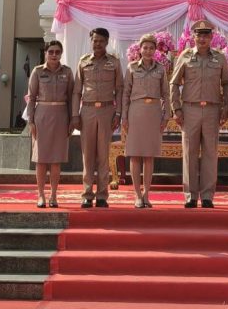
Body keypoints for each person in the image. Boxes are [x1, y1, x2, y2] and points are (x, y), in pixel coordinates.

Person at [169, 18, 228, 208]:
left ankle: (207, 196)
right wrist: (176, 109)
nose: (202, 39)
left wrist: (226, 107)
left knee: (210, 153)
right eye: (199, 35)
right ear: (193, 37)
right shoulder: (185, 56)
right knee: (189, 152)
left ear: (211, 37)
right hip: (190, 109)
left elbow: (227, 83)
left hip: (213, 109)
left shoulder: (219, 58)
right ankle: (190, 195)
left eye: (206, 35)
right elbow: (174, 83)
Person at [71, 27, 123, 208]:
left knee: (103, 154)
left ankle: (102, 195)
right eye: (95, 40)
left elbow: (120, 89)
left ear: (107, 42)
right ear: (91, 41)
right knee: (88, 155)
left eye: (101, 41)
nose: (97, 44)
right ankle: (87, 194)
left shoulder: (114, 62)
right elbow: (77, 91)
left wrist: (118, 113)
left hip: (107, 111)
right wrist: (75, 115)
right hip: (87, 111)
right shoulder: (83, 61)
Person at [121, 33, 168, 209]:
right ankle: (137, 194)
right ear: (140, 50)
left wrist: (166, 116)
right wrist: (124, 116)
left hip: (154, 112)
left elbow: (166, 94)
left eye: (151, 48)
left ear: (155, 50)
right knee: (135, 154)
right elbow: (125, 94)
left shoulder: (161, 69)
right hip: (136, 111)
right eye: (145, 48)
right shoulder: (132, 67)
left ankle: (146, 193)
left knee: (149, 155)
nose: (148, 51)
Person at [27, 40, 73, 208]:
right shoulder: (38, 71)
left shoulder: (67, 72)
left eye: (57, 52)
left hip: (61, 116)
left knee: (56, 159)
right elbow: (31, 97)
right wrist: (30, 121)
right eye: (51, 52)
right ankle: (40, 195)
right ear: (45, 53)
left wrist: (72, 119)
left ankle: (53, 195)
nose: (54, 55)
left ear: (61, 54)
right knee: (41, 159)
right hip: (42, 116)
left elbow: (71, 98)